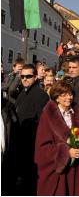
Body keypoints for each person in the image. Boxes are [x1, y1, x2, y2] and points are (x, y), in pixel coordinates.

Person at [35, 82, 79, 196]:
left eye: (70, 94)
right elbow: (42, 147)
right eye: (64, 94)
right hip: (57, 170)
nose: (69, 97)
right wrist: (66, 153)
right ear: (56, 97)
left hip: (76, 168)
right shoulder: (47, 116)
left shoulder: (78, 113)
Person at [15, 64, 49, 195]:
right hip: (20, 142)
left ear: (35, 77)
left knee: (28, 183)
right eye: (22, 76)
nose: (24, 79)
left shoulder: (41, 95)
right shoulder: (22, 92)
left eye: (28, 76)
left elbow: (41, 123)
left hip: (31, 145)